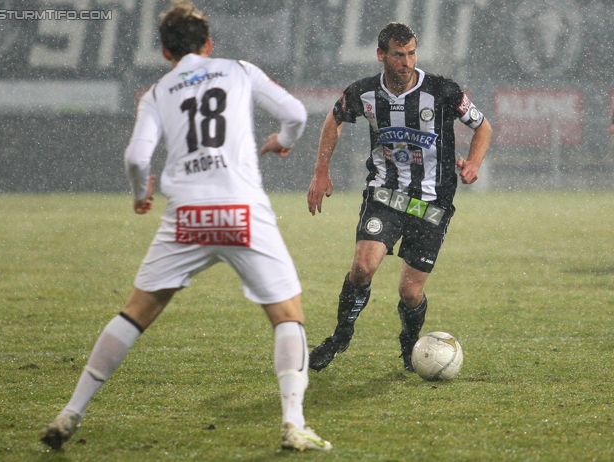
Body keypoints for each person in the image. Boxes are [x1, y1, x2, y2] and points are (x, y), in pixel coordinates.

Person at [39, 1, 331, 452]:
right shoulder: (238, 70)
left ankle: (70, 411)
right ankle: (293, 422)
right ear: (209, 44)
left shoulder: (157, 92)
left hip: (188, 216)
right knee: (287, 315)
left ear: (164, 53)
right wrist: (281, 142)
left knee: (135, 313)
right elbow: (295, 113)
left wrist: (141, 194)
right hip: (241, 211)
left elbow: (137, 157)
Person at [306, 22, 492, 373]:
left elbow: (483, 126)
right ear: (381, 56)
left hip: (432, 203)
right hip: (385, 195)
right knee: (362, 268)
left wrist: (474, 163)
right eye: (398, 55)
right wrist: (320, 172)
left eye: (411, 54)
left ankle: (410, 347)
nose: (406, 63)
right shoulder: (364, 93)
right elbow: (334, 120)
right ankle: (340, 337)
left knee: (410, 292)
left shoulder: (442, 91)